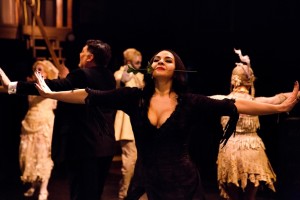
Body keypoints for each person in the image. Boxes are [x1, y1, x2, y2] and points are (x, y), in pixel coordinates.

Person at [26, 50, 300, 200]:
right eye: (156, 58)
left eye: (167, 59)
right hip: (147, 180)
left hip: (183, 184)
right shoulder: (134, 98)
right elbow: (87, 95)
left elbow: (236, 104)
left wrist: (279, 106)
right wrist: (50, 92)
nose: (160, 61)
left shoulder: (190, 102)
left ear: (176, 69)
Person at [0, 39, 116, 200]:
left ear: (89, 57)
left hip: (85, 146)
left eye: (83, 51)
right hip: (105, 146)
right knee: (95, 193)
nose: (80, 54)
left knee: (81, 194)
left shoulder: (82, 74)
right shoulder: (109, 77)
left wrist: (12, 85)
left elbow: (52, 86)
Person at [210, 49, 297, 200]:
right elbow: (279, 98)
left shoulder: (222, 100)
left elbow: (200, 101)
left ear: (233, 80)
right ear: (250, 81)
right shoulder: (256, 102)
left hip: (231, 148)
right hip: (252, 148)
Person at [1, 60, 58, 200]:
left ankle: (44, 189)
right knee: (29, 154)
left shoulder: (51, 85)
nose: (37, 72)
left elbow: (56, 73)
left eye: (41, 69)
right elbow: (9, 88)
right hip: (30, 121)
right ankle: (33, 184)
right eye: (36, 70)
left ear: (46, 72)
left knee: (43, 155)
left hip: (44, 123)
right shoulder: (30, 86)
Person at [113, 48, 145, 199]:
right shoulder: (119, 74)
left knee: (140, 161)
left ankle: (133, 193)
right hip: (126, 123)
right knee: (130, 162)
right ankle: (123, 194)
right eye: (136, 62)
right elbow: (122, 81)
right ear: (128, 62)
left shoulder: (141, 76)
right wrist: (129, 70)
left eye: (140, 63)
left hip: (141, 121)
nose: (140, 65)